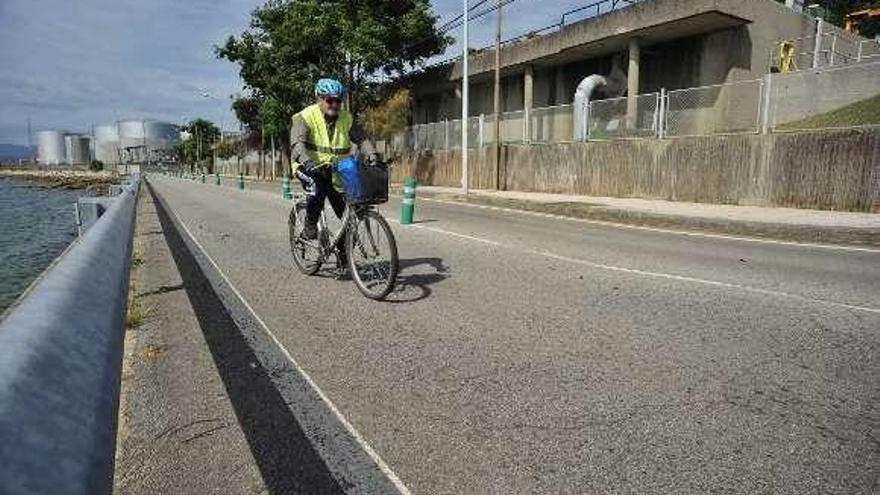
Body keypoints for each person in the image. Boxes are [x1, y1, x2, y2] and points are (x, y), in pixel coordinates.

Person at [290, 78, 380, 242]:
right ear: (319, 99)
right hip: (309, 167)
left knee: (349, 212)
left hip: (337, 169)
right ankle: (310, 224)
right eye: (329, 100)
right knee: (317, 188)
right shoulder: (305, 117)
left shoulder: (347, 118)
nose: (334, 104)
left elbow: (362, 139)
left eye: (338, 100)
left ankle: (345, 259)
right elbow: (297, 145)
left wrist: (372, 155)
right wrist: (307, 162)